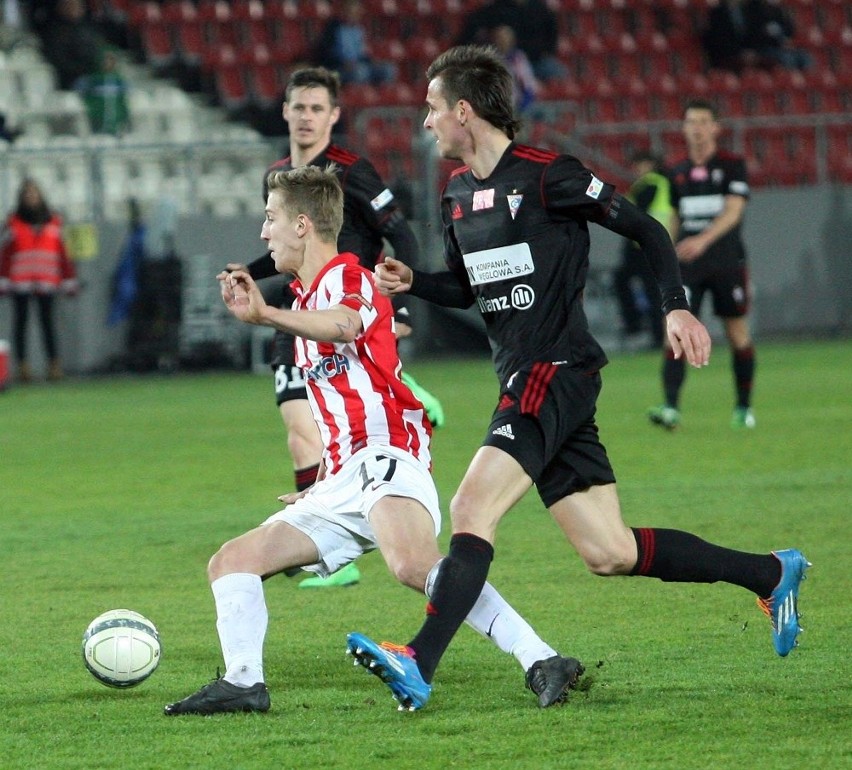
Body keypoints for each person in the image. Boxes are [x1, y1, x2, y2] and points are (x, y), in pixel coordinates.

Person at [346, 45, 810, 711]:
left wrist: (677, 306)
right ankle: (770, 572)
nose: (425, 123)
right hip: (530, 375)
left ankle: (418, 660)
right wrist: (414, 281)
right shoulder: (455, 195)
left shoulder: (547, 176)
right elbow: (467, 289)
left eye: (431, 109)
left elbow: (647, 228)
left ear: (465, 112)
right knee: (609, 551)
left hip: (552, 370)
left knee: (472, 507)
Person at [163, 165, 584, 716]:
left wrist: (265, 314)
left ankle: (542, 658)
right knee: (231, 561)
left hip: (387, 453)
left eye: (270, 219)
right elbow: (341, 397)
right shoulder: (307, 293)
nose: (263, 233)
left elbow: (345, 326)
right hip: (342, 475)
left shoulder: (350, 278)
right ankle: (245, 682)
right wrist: (319, 482)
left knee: (413, 565)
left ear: (302, 225)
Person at [234, 66, 444, 588]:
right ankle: (327, 534)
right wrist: (244, 272)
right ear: (284, 112)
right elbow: (276, 250)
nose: (305, 117)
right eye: (297, 107)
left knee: (309, 426)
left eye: (315, 108)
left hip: (347, 311)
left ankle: (397, 390)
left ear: (333, 116)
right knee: (298, 431)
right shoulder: (279, 175)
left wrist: (401, 308)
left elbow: (401, 235)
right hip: (302, 309)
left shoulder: (352, 171)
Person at [648, 99, 756, 430]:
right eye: (690, 122)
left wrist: (703, 240)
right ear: (683, 128)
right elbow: (675, 217)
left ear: (715, 128)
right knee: (676, 334)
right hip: (688, 265)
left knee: (736, 331)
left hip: (725, 261)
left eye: (702, 122)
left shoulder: (732, 165)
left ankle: (743, 409)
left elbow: (734, 211)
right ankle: (670, 408)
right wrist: (665, 250)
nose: (696, 128)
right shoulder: (675, 171)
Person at [0, 177, 78, 382]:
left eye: (34, 193)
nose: (31, 197)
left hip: (47, 280)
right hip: (21, 281)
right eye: (27, 194)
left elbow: (63, 253)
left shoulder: (54, 221)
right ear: (21, 198)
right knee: (21, 324)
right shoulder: (13, 222)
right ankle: (23, 367)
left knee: (48, 324)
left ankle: (54, 365)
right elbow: (6, 254)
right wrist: (4, 279)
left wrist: (69, 280)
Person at [613, 151, 672, 349]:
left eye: (641, 164)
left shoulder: (651, 183)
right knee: (642, 287)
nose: (637, 169)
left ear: (651, 165)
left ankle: (640, 326)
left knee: (643, 287)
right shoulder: (649, 184)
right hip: (642, 244)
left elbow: (632, 212)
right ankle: (649, 331)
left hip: (645, 246)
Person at [455, 0, 566, 83]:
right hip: (505, 61)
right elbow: (465, 39)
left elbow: (552, 35)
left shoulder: (539, 8)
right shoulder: (496, 9)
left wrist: (545, 52)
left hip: (536, 61)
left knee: (558, 73)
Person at [313, 0, 397, 86]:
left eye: (358, 11)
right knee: (361, 72)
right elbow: (324, 54)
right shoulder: (332, 28)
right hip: (338, 68)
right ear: (344, 12)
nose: (356, 14)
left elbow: (361, 54)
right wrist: (342, 63)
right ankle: (357, 97)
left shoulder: (358, 30)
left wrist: (372, 61)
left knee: (388, 69)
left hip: (357, 65)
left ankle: (380, 97)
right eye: (353, 11)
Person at [76, 49, 131, 136]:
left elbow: (123, 100)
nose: (107, 63)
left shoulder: (119, 80)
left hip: (117, 121)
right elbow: (84, 96)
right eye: (105, 60)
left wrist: (124, 116)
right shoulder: (92, 79)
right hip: (97, 120)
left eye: (110, 60)